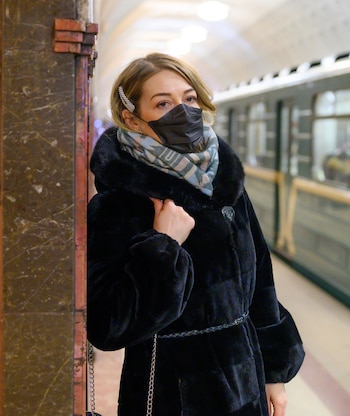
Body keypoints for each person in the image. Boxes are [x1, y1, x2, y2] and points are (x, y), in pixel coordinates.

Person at [87, 53, 305, 416]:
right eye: (163, 103)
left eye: (189, 98)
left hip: (245, 380)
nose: (183, 111)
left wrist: (274, 372)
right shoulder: (121, 201)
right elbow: (108, 325)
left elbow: (261, 283)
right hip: (173, 392)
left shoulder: (225, 183)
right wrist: (163, 245)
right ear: (132, 119)